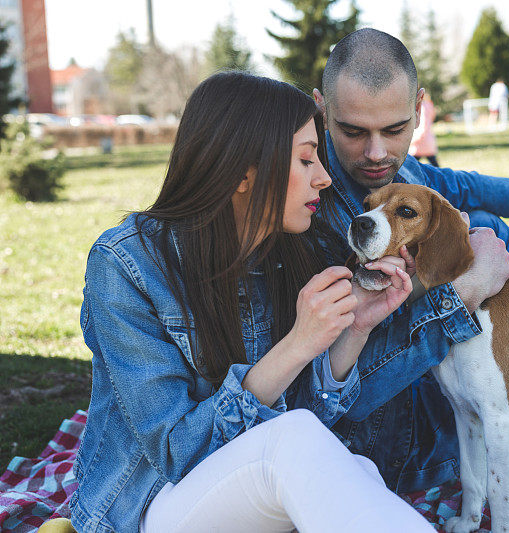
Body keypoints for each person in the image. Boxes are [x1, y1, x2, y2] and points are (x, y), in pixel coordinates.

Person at [69, 72, 435, 533]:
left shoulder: (283, 252)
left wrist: (353, 329)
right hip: (143, 507)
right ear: (244, 172)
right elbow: (178, 452)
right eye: (306, 160)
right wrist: (298, 344)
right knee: (297, 446)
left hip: (241, 490)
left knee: (358, 470)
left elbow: (301, 413)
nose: (324, 177)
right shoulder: (127, 266)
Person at [309, 28, 509, 495]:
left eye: (396, 129)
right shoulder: (310, 201)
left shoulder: (401, 174)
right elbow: (342, 385)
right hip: (400, 435)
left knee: (486, 228)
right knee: (482, 241)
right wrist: (461, 289)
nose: (377, 152)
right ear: (323, 109)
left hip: (451, 374)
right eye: (353, 131)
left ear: (420, 106)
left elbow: (472, 186)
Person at [408, 92, 439, 167]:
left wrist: (415, 139)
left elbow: (423, 125)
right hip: (428, 140)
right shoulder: (429, 105)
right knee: (434, 164)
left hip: (421, 142)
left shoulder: (423, 107)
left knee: (410, 165)